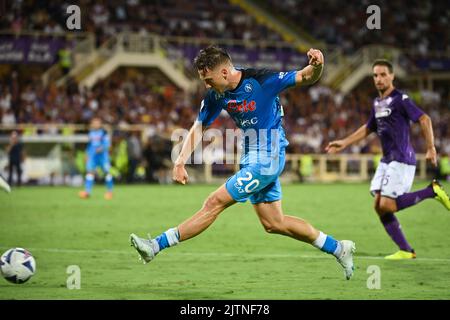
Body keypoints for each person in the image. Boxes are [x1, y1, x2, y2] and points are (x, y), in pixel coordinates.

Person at [130, 46, 356, 280]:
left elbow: (306, 75)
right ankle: (339, 248)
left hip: (268, 157)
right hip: (250, 156)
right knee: (274, 223)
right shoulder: (217, 95)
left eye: (209, 79)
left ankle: (155, 246)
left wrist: (317, 65)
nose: (206, 85)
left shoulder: (262, 80)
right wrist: (179, 162)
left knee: (214, 202)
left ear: (225, 73)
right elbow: (199, 127)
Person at [326, 59, 450, 260]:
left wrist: (430, 148)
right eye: (375, 75)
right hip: (387, 160)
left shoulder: (401, 99)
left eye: (383, 74)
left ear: (392, 76)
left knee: (387, 205)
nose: (379, 79)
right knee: (378, 206)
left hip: (401, 158)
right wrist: (344, 142)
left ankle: (432, 190)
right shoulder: (377, 103)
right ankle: (406, 250)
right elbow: (368, 128)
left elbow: (424, 119)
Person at [79, 117, 114, 200]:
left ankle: (110, 192)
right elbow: (89, 145)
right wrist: (87, 154)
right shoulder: (91, 133)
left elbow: (107, 144)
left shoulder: (104, 133)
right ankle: (87, 192)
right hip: (93, 156)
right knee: (90, 173)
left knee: (107, 173)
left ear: (100, 124)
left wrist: (101, 148)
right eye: (94, 123)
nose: (95, 124)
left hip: (103, 157)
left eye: (97, 123)